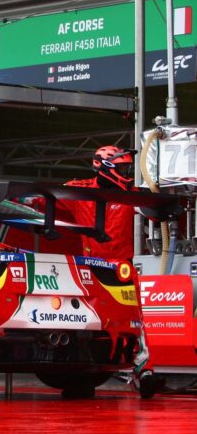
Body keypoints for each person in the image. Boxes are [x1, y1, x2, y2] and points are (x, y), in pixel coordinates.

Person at [28, 145, 162, 398]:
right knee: (81, 322)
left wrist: (163, 207)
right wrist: (24, 199)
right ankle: (78, 371)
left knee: (134, 321)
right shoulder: (79, 189)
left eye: (127, 167)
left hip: (120, 269)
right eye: (122, 167)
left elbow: (155, 213)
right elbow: (44, 203)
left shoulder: (130, 194)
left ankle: (143, 372)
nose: (127, 172)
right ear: (102, 166)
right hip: (86, 270)